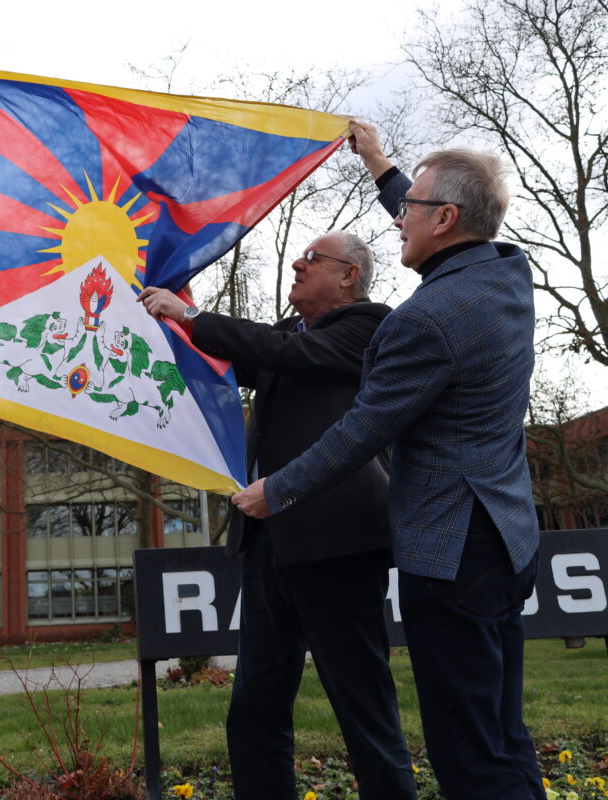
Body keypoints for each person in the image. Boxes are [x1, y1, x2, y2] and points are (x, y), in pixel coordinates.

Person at [233, 121, 546, 800]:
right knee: (501, 733)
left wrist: (273, 493)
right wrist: (378, 164)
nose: (399, 218)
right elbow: (439, 219)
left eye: (411, 209)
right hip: (506, 538)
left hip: (452, 554)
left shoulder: (423, 322)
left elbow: (361, 432)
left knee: (470, 753)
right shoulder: (503, 273)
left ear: (446, 218)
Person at [138, 230, 417, 799]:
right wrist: (157, 316)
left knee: (364, 711)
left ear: (348, 277)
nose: (297, 263)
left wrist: (189, 313)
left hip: (337, 546)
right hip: (269, 544)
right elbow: (235, 357)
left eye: (311, 259)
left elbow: (281, 354)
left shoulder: (369, 328)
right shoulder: (289, 334)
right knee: (254, 711)